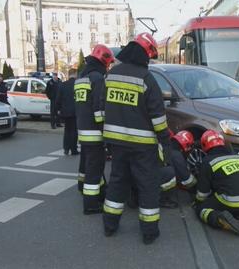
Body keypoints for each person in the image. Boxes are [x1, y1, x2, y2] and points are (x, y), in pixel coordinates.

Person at [102, 33, 172, 244]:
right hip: (143, 146)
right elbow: (158, 117)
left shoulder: (111, 75)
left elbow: (102, 108)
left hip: (116, 143)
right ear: (145, 53)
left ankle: (109, 226)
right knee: (147, 186)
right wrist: (165, 141)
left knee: (117, 182)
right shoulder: (146, 78)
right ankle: (149, 232)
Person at [194, 130, 239, 236]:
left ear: (205, 145)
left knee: (201, 209)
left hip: (232, 200)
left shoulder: (208, 161)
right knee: (233, 197)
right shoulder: (238, 157)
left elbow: (203, 191)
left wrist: (198, 201)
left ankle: (221, 220)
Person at [75, 44, 115, 214]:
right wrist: (105, 131)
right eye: (109, 63)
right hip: (95, 132)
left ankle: (86, 188)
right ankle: (91, 204)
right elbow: (99, 111)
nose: (109, 67)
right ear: (104, 61)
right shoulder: (98, 79)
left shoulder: (81, 78)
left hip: (83, 130)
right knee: (95, 168)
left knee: (87, 163)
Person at [58, 69, 78, 155]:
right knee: (74, 131)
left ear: (69, 74)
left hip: (65, 111)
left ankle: (66, 148)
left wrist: (59, 109)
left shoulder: (63, 85)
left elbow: (58, 99)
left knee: (67, 130)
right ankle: (73, 149)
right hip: (75, 111)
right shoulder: (77, 84)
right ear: (75, 74)